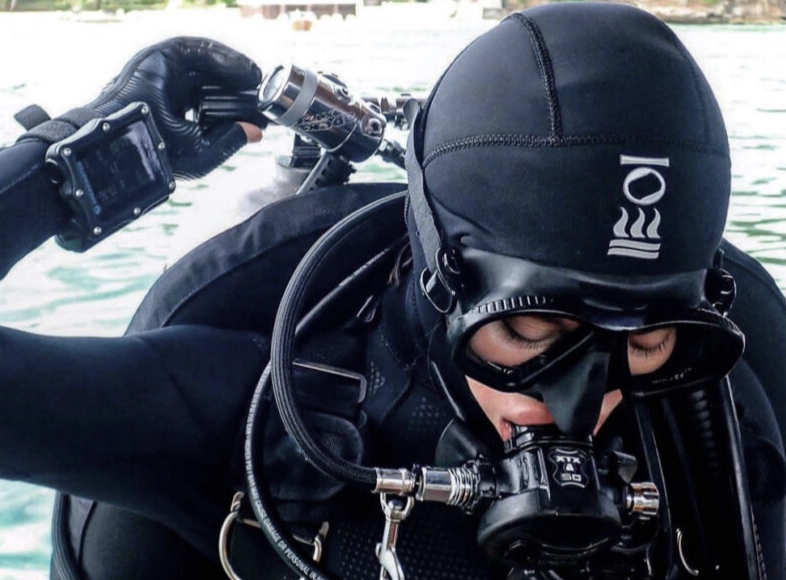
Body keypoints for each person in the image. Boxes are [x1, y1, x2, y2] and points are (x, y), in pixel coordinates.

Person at [0, 4, 784, 580]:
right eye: (531, 332)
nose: (581, 406)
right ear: (435, 268)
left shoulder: (730, 425)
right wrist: (68, 165)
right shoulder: (252, 421)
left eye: (644, 341)